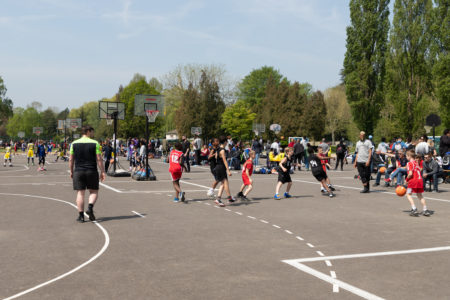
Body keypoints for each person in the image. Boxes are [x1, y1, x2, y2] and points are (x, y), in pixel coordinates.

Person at [69, 125, 106, 223]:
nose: (93, 134)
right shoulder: (95, 143)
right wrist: (102, 171)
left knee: (80, 193)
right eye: (92, 132)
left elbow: (71, 159)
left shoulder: (74, 143)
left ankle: (81, 216)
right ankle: (90, 207)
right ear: (88, 131)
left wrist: (71, 171)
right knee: (94, 191)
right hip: (91, 170)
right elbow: (99, 159)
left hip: (79, 171)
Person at [404, 150, 430, 217]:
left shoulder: (409, 163)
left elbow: (410, 173)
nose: (406, 157)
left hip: (413, 181)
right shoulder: (417, 163)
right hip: (420, 180)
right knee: (420, 195)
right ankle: (425, 210)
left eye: (406, 156)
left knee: (408, 194)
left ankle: (414, 208)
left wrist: (406, 180)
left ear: (409, 156)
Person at [213, 136, 234, 207]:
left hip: (218, 167)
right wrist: (228, 170)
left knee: (222, 183)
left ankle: (218, 199)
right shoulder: (222, 150)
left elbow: (216, 157)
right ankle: (229, 198)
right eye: (227, 141)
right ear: (225, 142)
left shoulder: (218, 149)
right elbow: (224, 161)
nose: (227, 143)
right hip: (221, 167)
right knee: (225, 183)